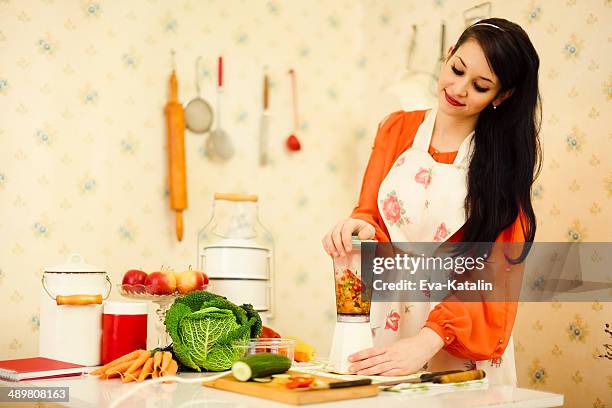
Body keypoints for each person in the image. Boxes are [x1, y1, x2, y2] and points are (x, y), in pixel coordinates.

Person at [322, 18, 541, 386]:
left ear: (501, 96)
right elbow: (370, 214)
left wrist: (425, 342)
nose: (458, 89)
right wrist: (358, 228)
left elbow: (494, 273)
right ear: (448, 54)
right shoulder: (396, 129)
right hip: (390, 318)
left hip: (457, 333)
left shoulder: (503, 164)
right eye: (456, 69)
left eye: (480, 86)